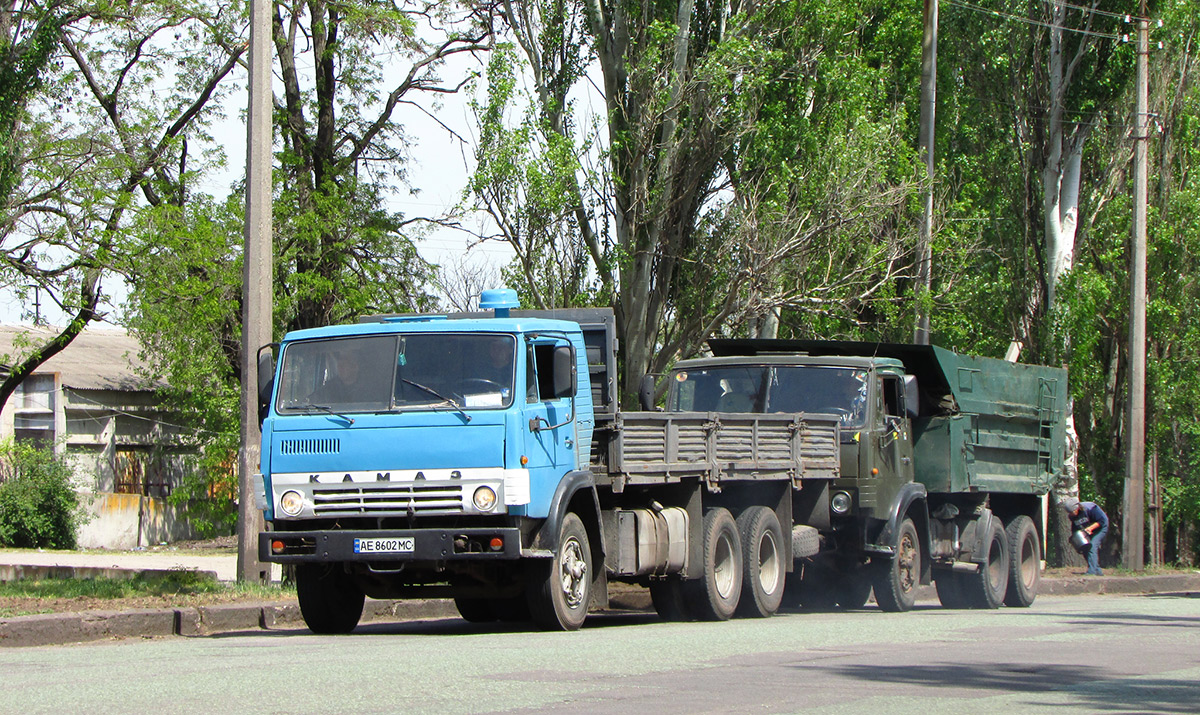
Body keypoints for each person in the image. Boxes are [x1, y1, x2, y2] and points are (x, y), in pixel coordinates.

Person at [1063, 497, 1109, 576]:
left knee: (1092, 546)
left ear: (1077, 508)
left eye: (1072, 511)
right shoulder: (1072, 516)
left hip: (1101, 527)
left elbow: (1101, 521)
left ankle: (1091, 572)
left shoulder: (1090, 508)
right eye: (1069, 512)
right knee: (1085, 548)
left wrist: (1090, 528)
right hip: (1088, 529)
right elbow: (1075, 527)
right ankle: (1097, 570)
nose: (1071, 514)